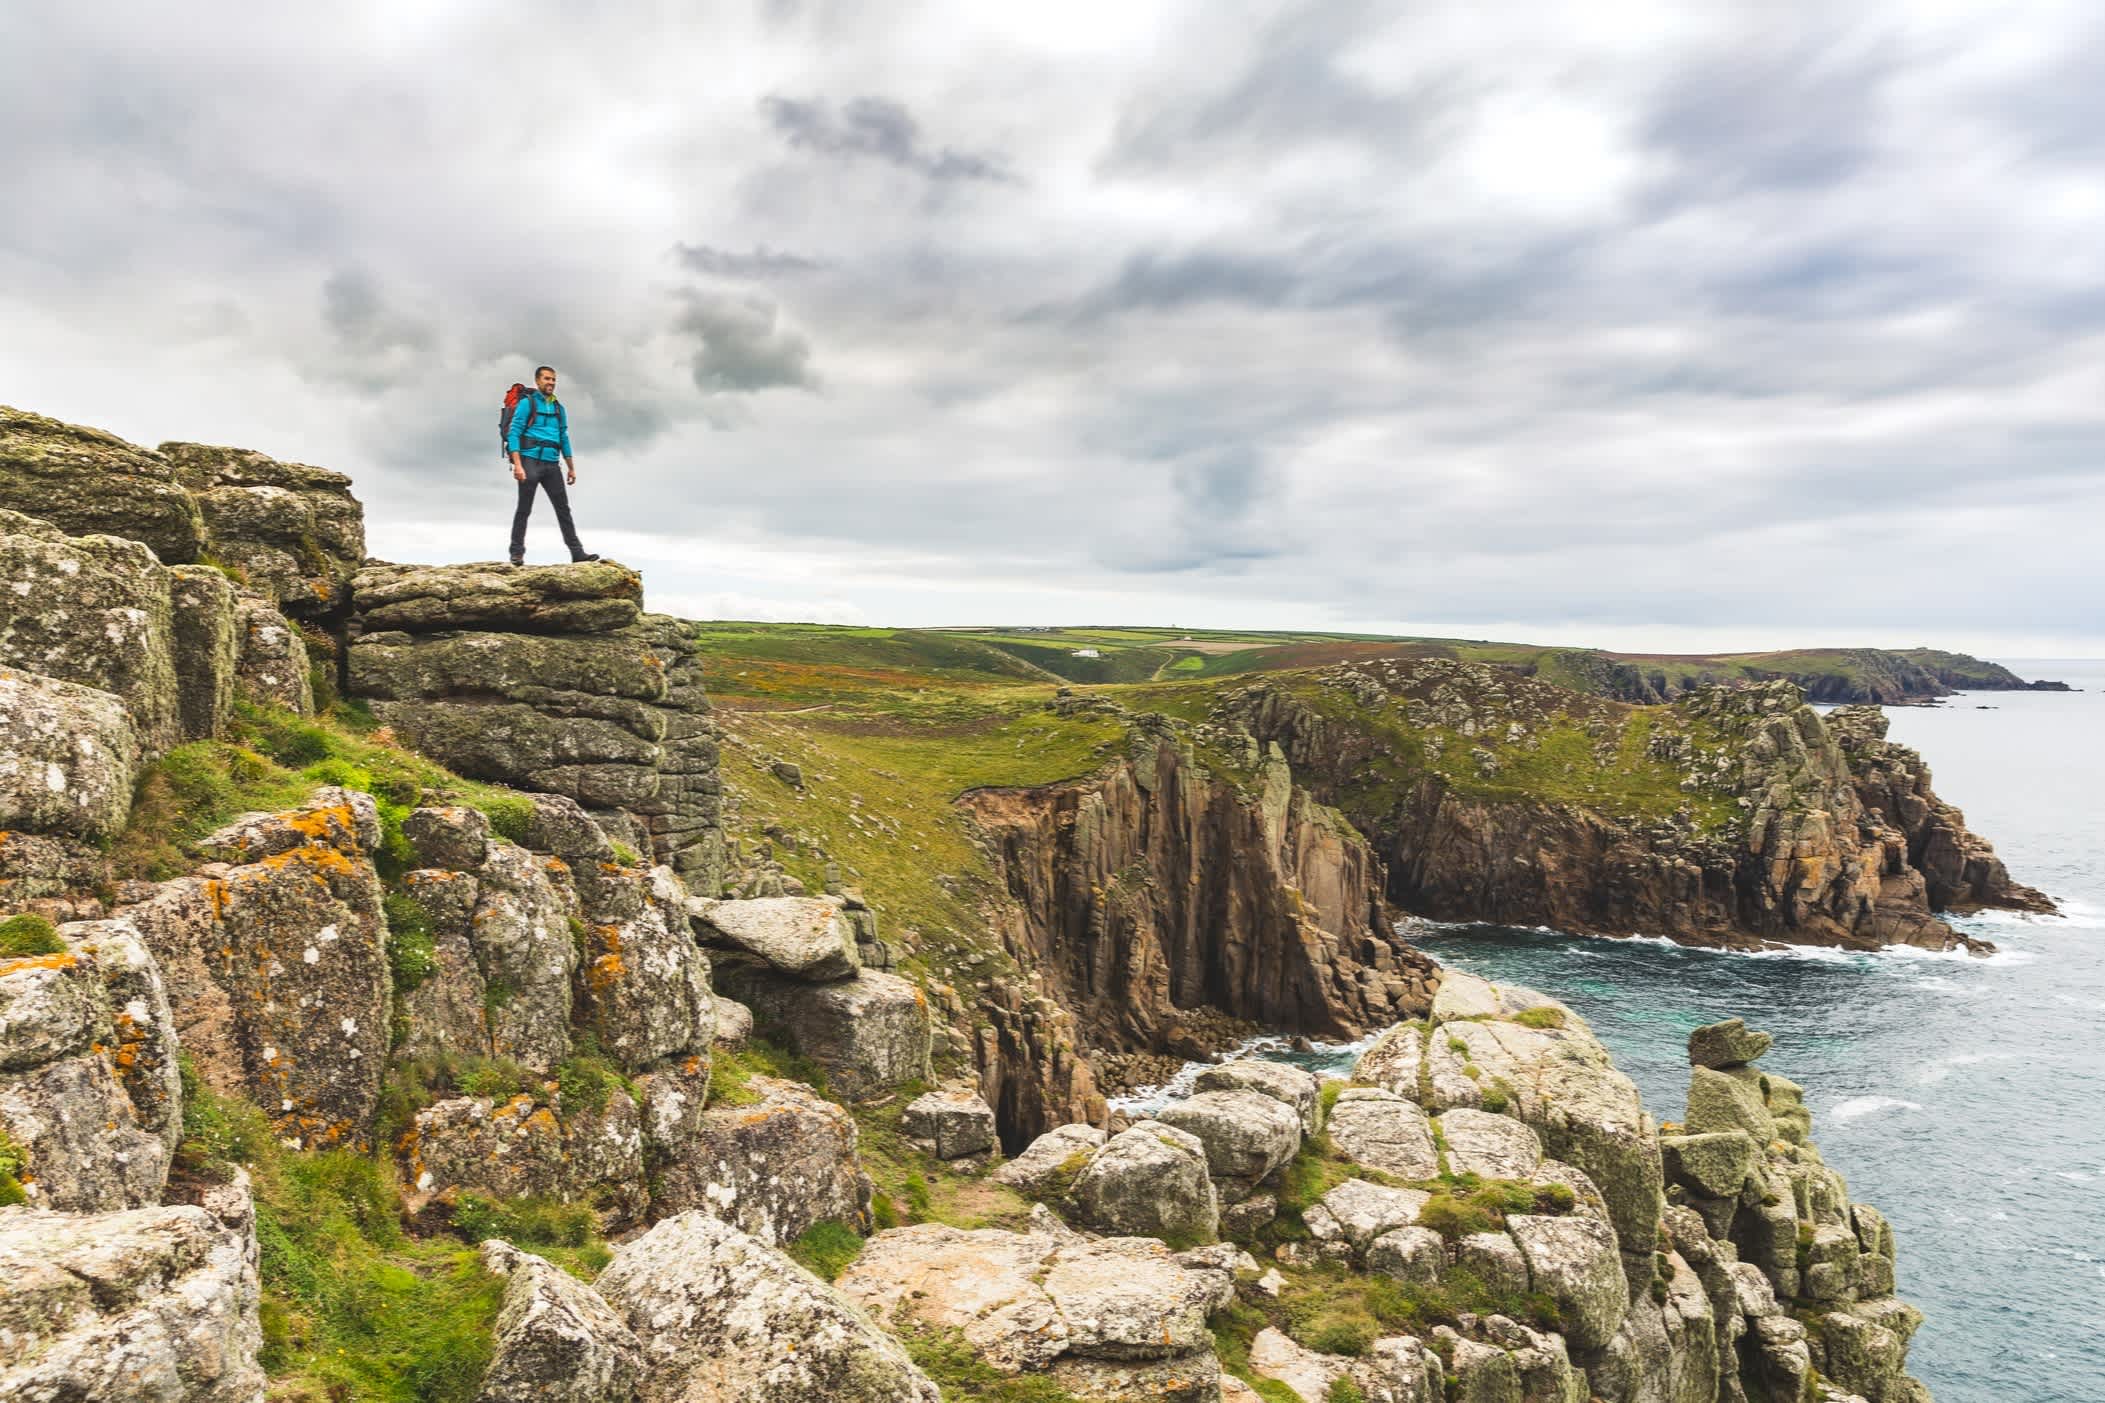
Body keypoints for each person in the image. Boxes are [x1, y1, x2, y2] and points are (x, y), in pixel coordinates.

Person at [507, 364, 599, 565]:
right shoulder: (527, 403)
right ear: (538, 381)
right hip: (529, 461)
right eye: (547, 379)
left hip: (551, 464)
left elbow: (563, 436)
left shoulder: (558, 408)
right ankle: (516, 552)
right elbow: (514, 433)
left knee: (563, 509)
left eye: (553, 380)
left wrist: (571, 466)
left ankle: (577, 553)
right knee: (524, 508)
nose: (551, 383)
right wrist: (518, 464)